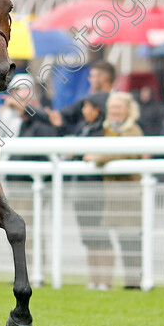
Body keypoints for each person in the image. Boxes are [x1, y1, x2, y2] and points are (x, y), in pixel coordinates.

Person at [83, 91, 144, 289]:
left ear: (128, 110)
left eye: (119, 108)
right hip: (111, 195)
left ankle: (134, 281)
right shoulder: (106, 129)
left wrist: (96, 157)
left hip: (128, 194)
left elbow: (121, 151)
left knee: (130, 239)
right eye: (113, 108)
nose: (115, 112)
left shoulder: (133, 130)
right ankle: (124, 281)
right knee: (116, 238)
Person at [67, 92, 111, 290]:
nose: (84, 111)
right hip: (80, 190)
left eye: (87, 107)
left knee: (101, 237)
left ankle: (106, 281)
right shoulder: (83, 128)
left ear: (97, 110)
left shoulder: (102, 130)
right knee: (89, 237)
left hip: (98, 190)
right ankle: (94, 279)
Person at [47, 61, 115, 134]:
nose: (89, 79)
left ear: (103, 78)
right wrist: (61, 125)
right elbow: (75, 128)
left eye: (92, 76)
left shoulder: (119, 101)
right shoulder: (87, 101)